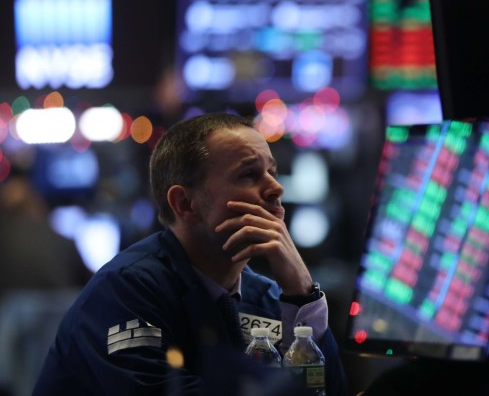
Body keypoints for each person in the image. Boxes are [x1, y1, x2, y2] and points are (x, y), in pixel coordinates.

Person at [31, 113, 347, 396]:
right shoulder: (125, 292)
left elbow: (326, 390)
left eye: (272, 171)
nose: (276, 187)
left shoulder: (267, 296)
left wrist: (302, 292)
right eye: (248, 175)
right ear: (184, 203)